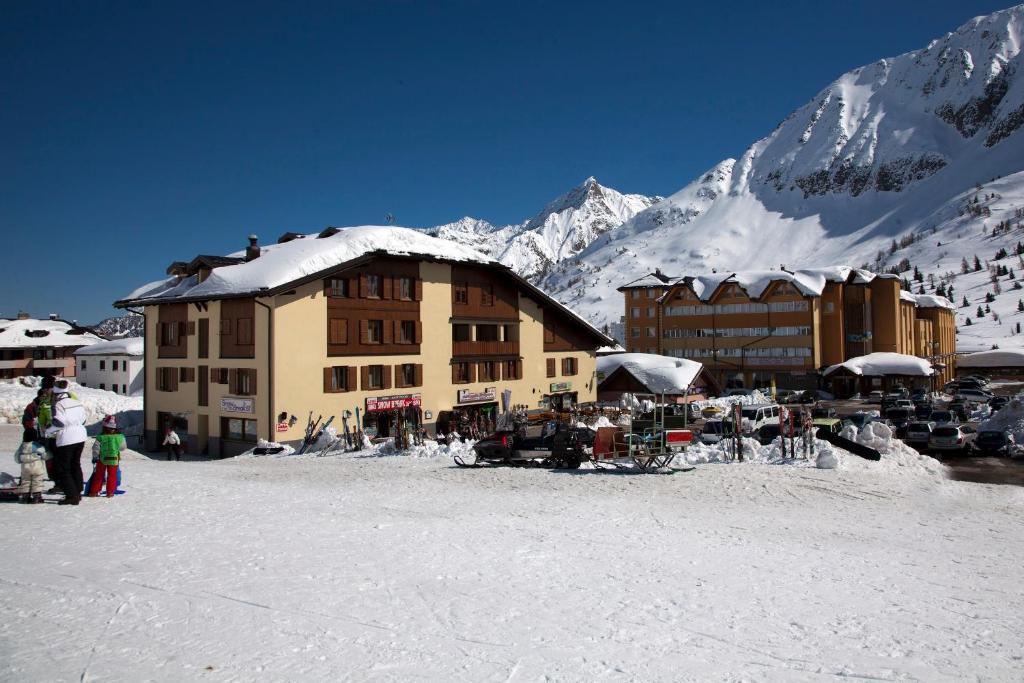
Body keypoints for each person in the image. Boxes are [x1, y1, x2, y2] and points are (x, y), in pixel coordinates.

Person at [46, 378, 87, 506]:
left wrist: (48, 430)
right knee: (75, 464)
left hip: (67, 438)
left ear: (56, 393)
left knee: (63, 468)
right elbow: (84, 420)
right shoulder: (76, 402)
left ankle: (71, 495)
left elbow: (59, 423)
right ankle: (78, 490)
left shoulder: (58, 405)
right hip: (81, 436)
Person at [88, 415, 125, 498]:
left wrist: (95, 457)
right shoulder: (119, 437)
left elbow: (95, 448)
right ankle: (110, 492)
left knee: (99, 475)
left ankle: (94, 492)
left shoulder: (100, 437)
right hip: (114, 459)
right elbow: (122, 448)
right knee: (112, 476)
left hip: (102, 459)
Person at [14, 428, 50, 504]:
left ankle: (25, 497)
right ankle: (37, 497)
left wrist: (21, 460)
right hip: (37, 467)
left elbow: (16, 458)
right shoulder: (37, 445)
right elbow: (46, 455)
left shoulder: (22, 446)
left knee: (25, 481)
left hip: (25, 468)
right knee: (37, 482)